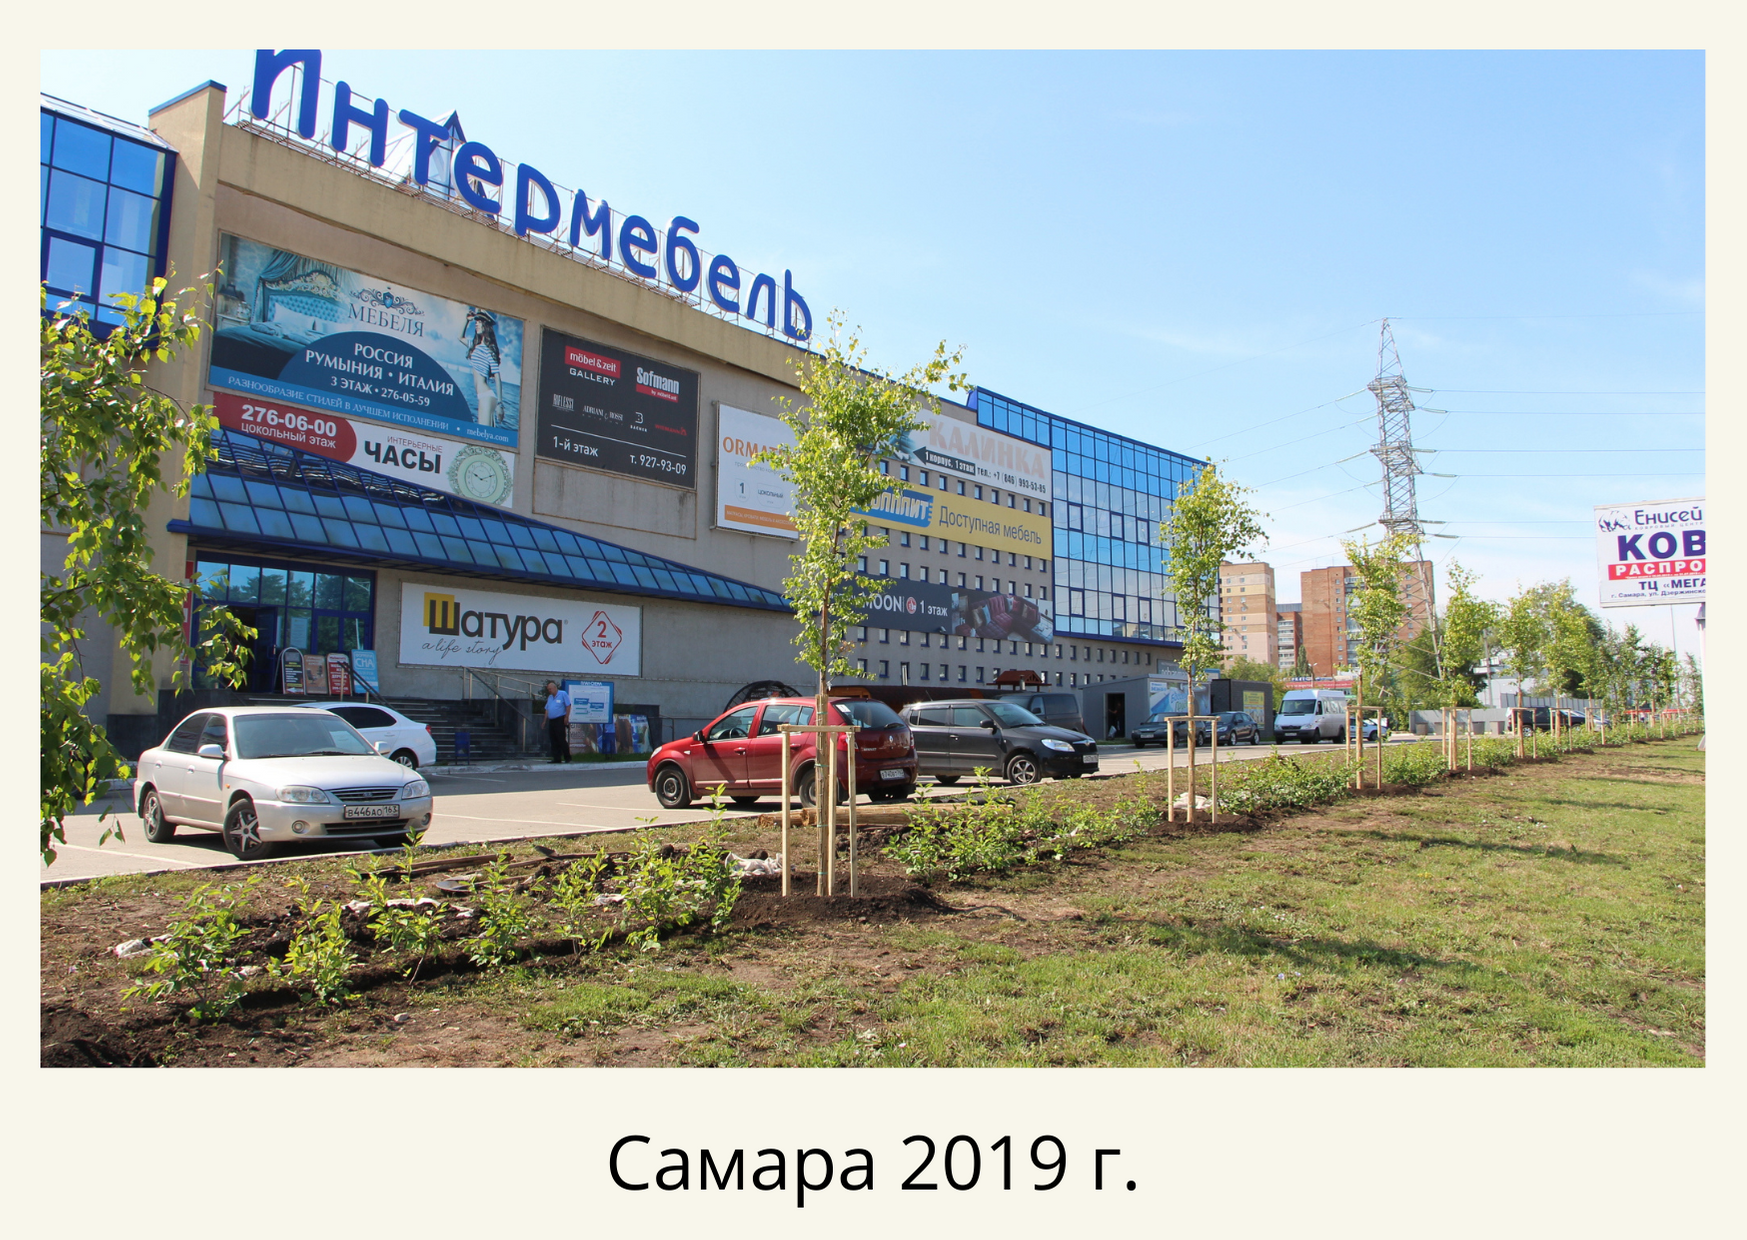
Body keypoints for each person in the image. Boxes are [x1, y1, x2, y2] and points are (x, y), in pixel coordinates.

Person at [543, 680, 572, 764]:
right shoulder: (550, 697)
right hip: (552, 720)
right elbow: (547, 709)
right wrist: (544, 721)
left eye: (550, 689)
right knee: (553, 739)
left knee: (561, 739)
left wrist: (566, 717)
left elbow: (568, 705)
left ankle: (567, 757)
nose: (549, 691)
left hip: (559, 719)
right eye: (548, 689)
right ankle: (556, 758)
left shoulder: (563, 694)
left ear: (555, 688)